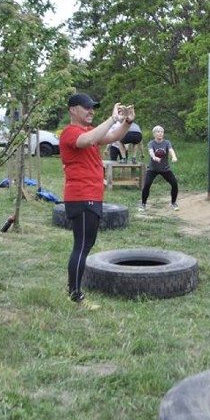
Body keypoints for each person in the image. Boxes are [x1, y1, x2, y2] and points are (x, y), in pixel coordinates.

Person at [60, 92, 134, 310]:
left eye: (93, 107)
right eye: (86, 107)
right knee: (82, 245)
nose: (91, 111)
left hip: (91, 195)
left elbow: (112, 137)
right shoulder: (70, 133)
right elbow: (91, 140)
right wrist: (112, 118)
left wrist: (127, 122)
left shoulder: (88, 131)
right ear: (73, 110)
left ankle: (73, 289)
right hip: (81, 196)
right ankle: (75, 295)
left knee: (86, 244)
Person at [139, 125, 179, 211]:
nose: (160, 133)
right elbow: (150, 151)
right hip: (152, 169)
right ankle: (143, 204)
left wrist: (174, 157)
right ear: (154, 134)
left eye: (161, 132)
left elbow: (171, 150)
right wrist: (154, 157)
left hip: (165, 168)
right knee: (146, 185)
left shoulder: (167, 142)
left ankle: (173, 203)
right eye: (158, 132)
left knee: (174, 184)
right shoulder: (151, 143)